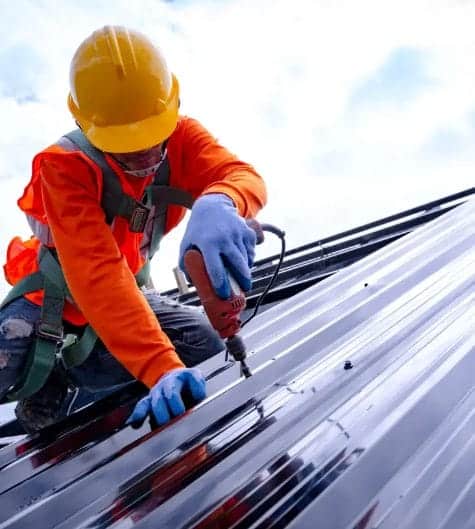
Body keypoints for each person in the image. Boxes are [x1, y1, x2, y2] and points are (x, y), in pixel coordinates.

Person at [0, 25, 266, 433]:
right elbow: (98, 277)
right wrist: (159, 367)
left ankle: (72, 380)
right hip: (49, 302)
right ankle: (47, 379)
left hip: (123, 299)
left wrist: (223, 200)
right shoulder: (65, 167)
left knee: (203, 344)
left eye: (151, 137)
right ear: (87, 126)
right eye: (126, 145)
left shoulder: (183, 138)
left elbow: (240, 175)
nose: (144, 153)